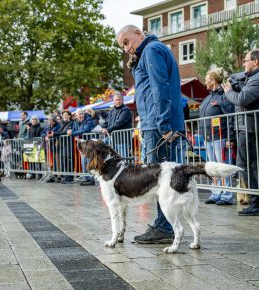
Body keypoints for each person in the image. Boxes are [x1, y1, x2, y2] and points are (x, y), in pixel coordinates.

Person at [117, 25, 185, 243]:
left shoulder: (151, 50)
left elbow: (160, 88)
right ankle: (167, 225)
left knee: (158, 179)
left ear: (139, 33)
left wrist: (164, 125)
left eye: (127, 41)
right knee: (164, 177)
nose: (126, 48)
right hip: (155, 123)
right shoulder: (148, 52)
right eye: (123, 46)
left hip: (158, 126)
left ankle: (165, 228)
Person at [222, 49, 259, 216]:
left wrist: (229, 91)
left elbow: (242, 99)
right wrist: (237, 86)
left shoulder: (257, 79)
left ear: (256, 61)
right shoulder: (251, 78)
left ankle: (256, 203)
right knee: (248, 166)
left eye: (246, 60)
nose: (244, 64)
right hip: (246, 128)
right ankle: (255, 201)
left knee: (249, 166)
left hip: (250, 129)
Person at [199, 69, 235, 205]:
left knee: (223, 167)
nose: (205, 82)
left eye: (207, 79)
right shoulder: (208, 98)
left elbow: (231, 117)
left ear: (213, 80)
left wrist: (230, 138)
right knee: (213, 168)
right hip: (208, 138)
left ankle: (226, 195)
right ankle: (216, 193)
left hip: (221, 138)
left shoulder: (224, 96)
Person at [67, 108, 96, 186]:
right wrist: (70, 131)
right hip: (82, 144)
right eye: (79, 114)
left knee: (89, 161)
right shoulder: (75, 121)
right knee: (83, 162)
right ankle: (85, 178)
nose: (81, 115)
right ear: (76, 115)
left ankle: (91, 179)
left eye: (82, 113)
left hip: (89, 143)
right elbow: (73, 129)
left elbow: (85, 130)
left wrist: (73, 133)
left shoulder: (88, 120)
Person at [101, 91, 132, 157]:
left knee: (123, 159)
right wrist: (103, 127)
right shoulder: (112, 111)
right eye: (116, 100)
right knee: (115, 160)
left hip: (122, 139)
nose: (118, 101)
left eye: (120, 100)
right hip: (113, 139)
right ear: (113, 101)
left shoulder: (126, 110)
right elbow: (106, 122)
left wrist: (108, 130)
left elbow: (119, 122)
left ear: (122, 100)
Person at [48, 110, 74, 183]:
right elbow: (59, 132)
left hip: (68, 144)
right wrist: (53, 134)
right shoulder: (62, 123)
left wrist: (55, 133)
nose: (65, 116)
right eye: (64, 115)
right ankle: (66, 177)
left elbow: (65, 132)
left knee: (68, 162)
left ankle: (69, 178)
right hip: (62, 145)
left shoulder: (71, 123)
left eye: (66, 115)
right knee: (64, 162)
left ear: (69, 116)